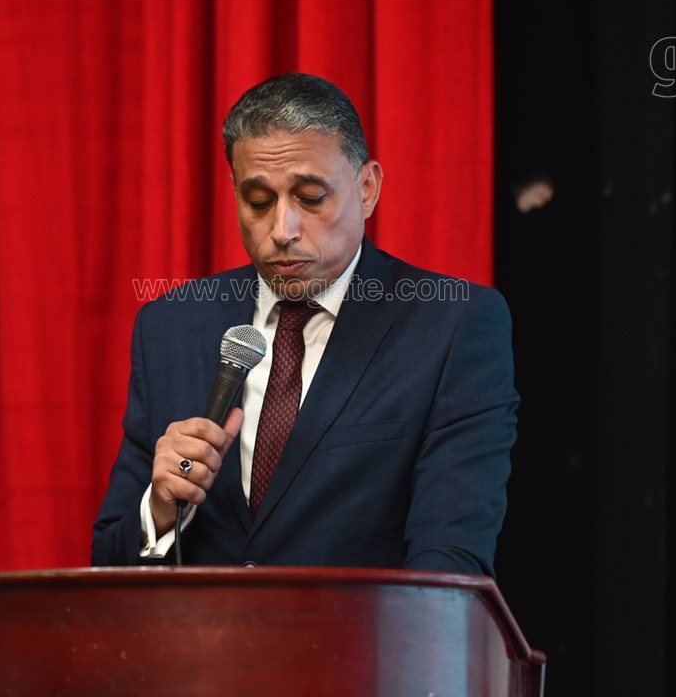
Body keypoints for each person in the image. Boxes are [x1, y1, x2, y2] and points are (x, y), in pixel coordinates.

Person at [91, 73, 517, 575]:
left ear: (367, 189)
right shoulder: (170, 327)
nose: (282, 230)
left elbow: (450, 566)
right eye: (258, 201)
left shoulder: (451, 326)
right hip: (198, 628)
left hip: (363, 629)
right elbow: (107, 565)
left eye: (311, 197)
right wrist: (162, 508)